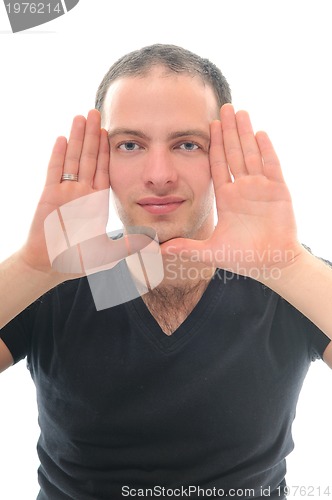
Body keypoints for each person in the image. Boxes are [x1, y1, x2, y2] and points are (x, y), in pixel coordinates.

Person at [0, 44, 331, 500]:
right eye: (130, 145)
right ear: (103, 156)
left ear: (224, 157)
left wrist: (290, 267)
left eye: (187, 144)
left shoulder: (290, 277)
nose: (159, 175)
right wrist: (32, 269)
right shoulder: (54, 280)